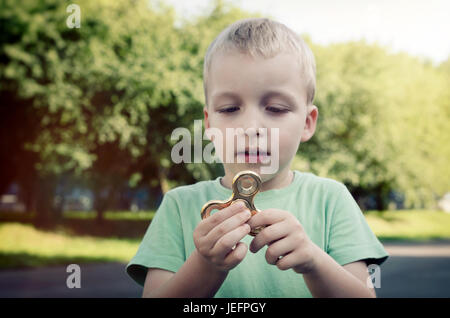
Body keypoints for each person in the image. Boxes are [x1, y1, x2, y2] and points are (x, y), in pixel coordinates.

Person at [126, 18, 388, 297]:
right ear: (210, 124)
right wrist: (206, 266)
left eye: (275, 108)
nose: (251, 128)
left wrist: (313, 261)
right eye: (229, 109)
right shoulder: (179, 206)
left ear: (308, 123)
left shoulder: (331, 200)